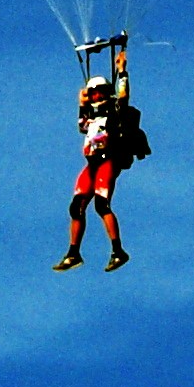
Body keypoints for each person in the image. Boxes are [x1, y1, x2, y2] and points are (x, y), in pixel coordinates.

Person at [55, 38, 147, 271]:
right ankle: (73, 253)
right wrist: (81, 104)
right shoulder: (91, 116)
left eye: (99, 92)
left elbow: (123, 96)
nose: (95, 96)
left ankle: (118, 250)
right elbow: (82, 126)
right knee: (76, 207)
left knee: (101, 205)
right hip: (92, 163)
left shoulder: (116, 109)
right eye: (93, 93)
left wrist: (122, 71)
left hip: (109, 160)